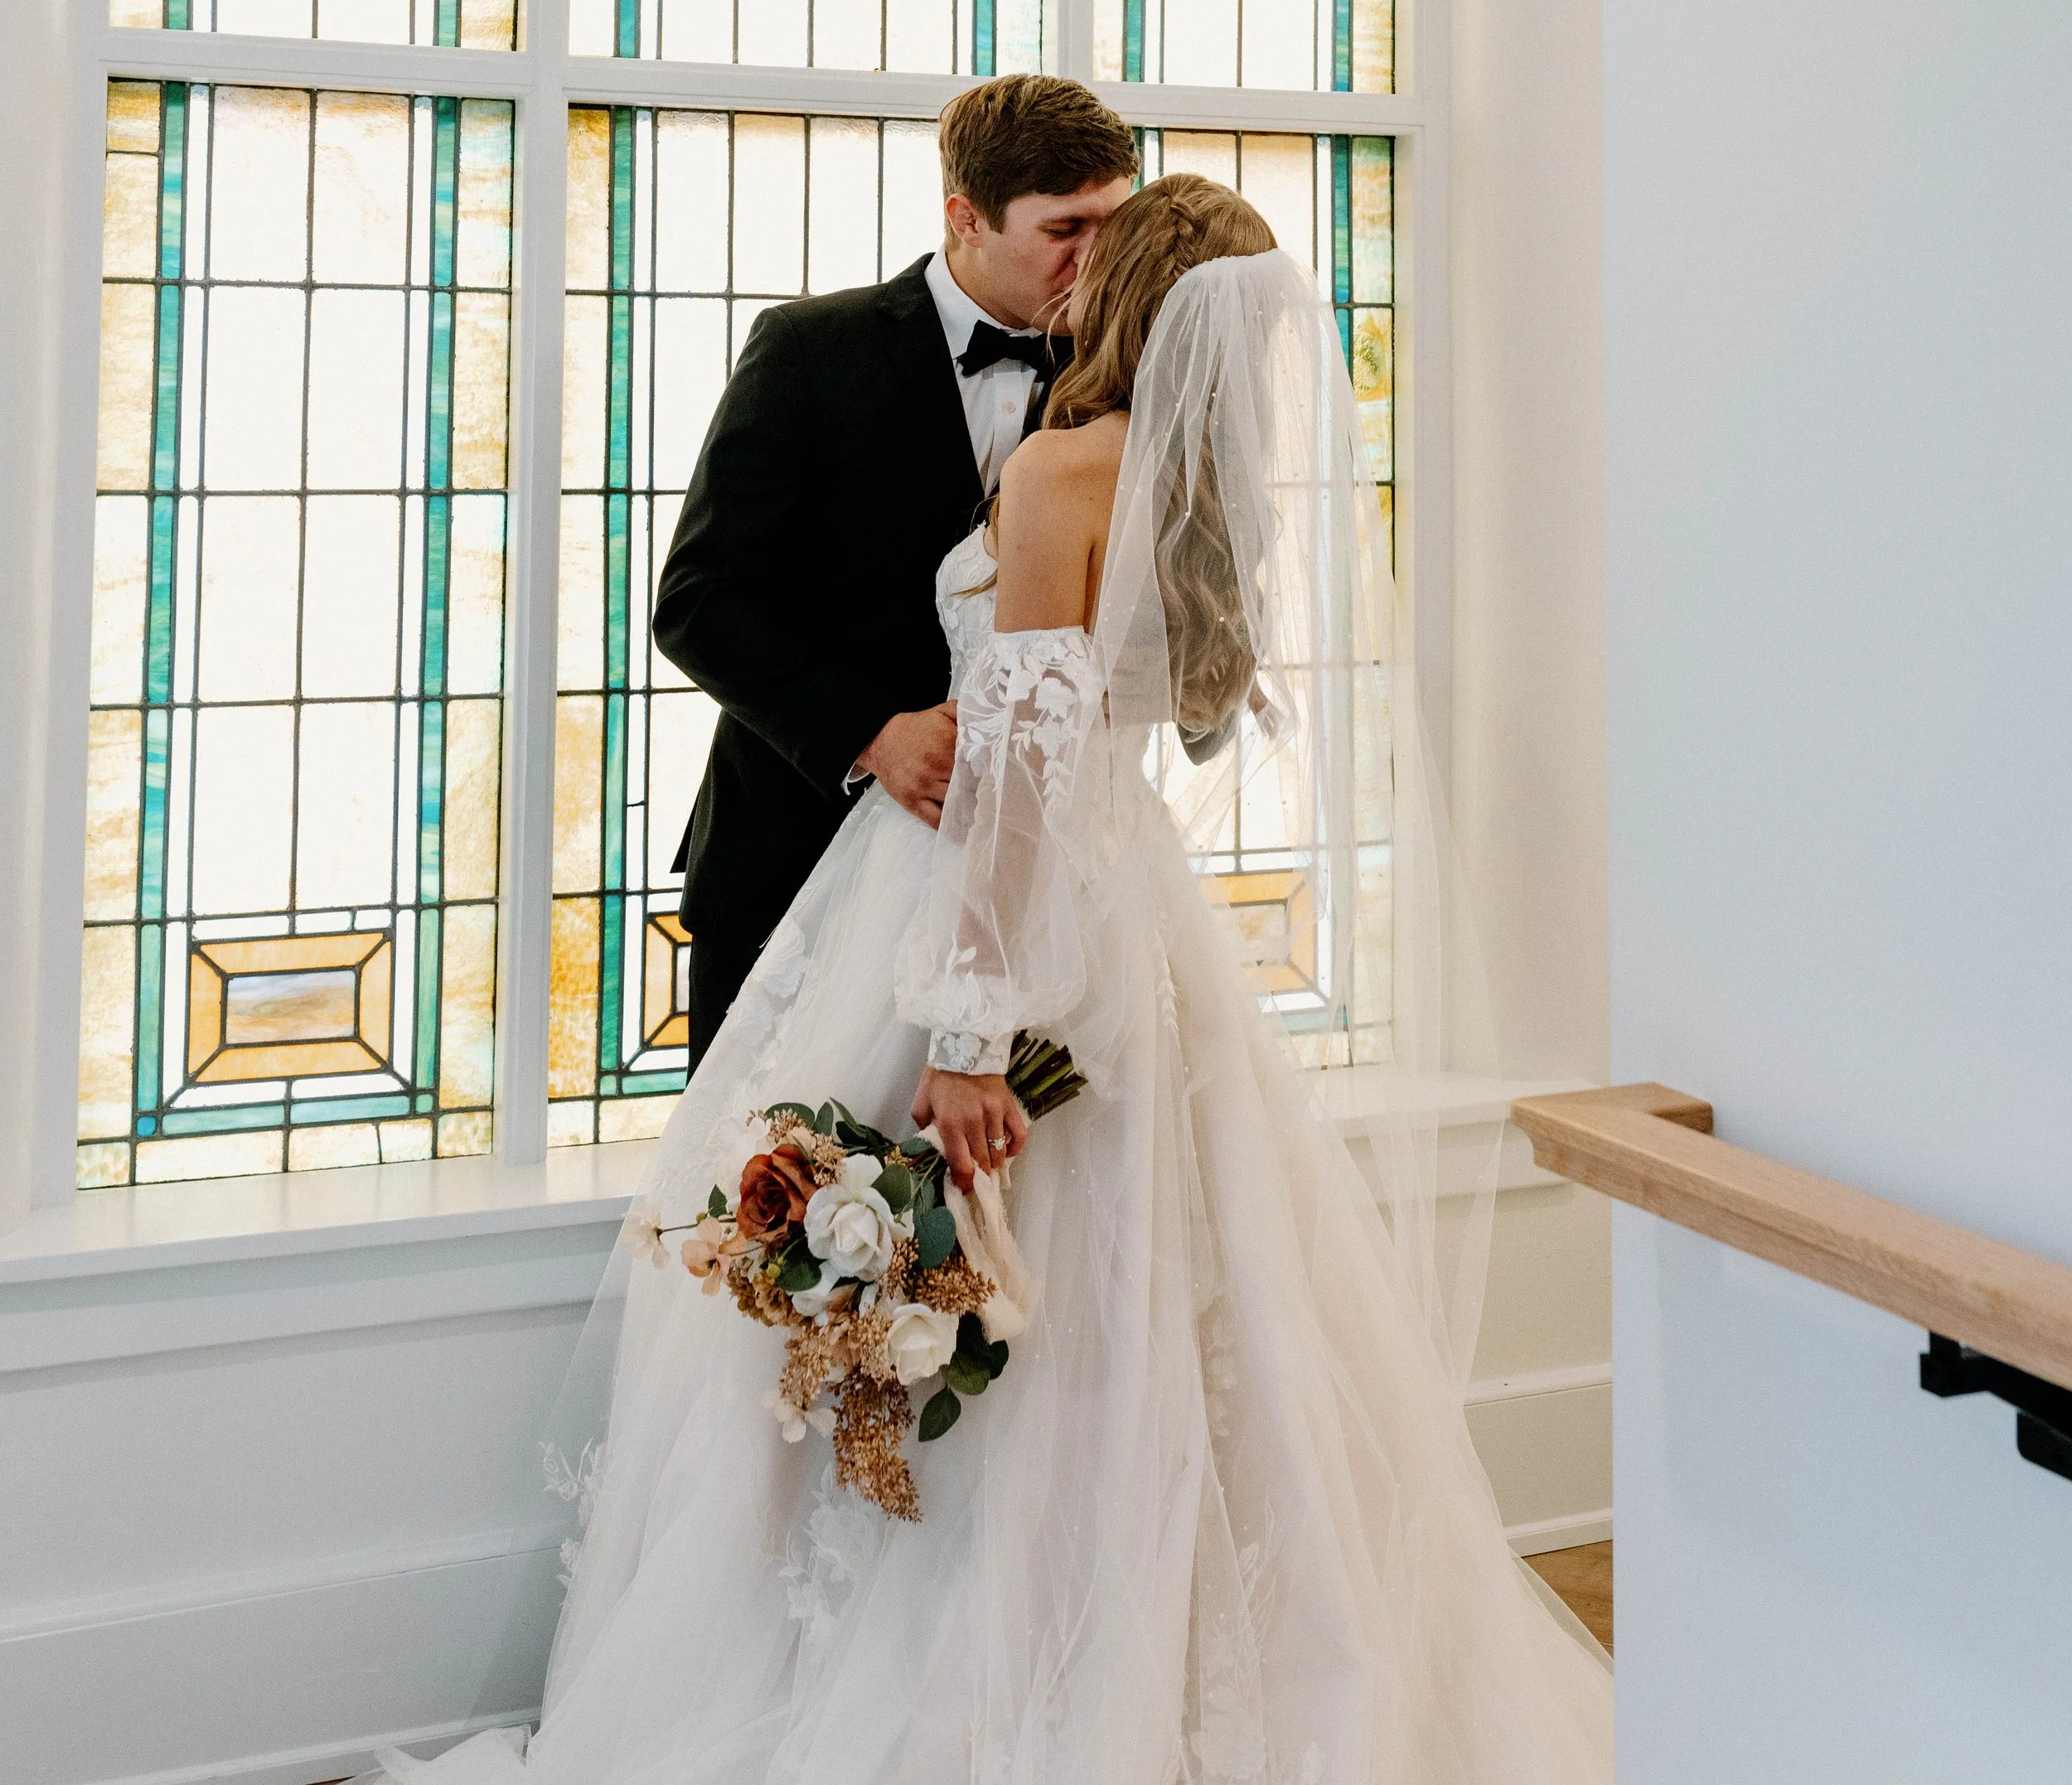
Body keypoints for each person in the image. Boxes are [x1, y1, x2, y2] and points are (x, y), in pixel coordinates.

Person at [381, 175, 1611, 1785]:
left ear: (1130, 296)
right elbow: (1186, 721)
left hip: (997, 917)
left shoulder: (1057, 472)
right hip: (1140, 932)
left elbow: (1020, 778)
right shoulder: (1201, 493)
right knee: (1153, 1307)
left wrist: (966, 1034)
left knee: (1013, 1293)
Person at [653, 75, 1138, 1068]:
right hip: (795, 866)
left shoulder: (1127, 382)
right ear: (965, 218)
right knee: (773, 1203)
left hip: (1023, 907)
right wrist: (872, 733)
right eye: (1065, 228)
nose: (1097, 258)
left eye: (1113, 224)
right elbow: (699, 602)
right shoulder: (808, 352)